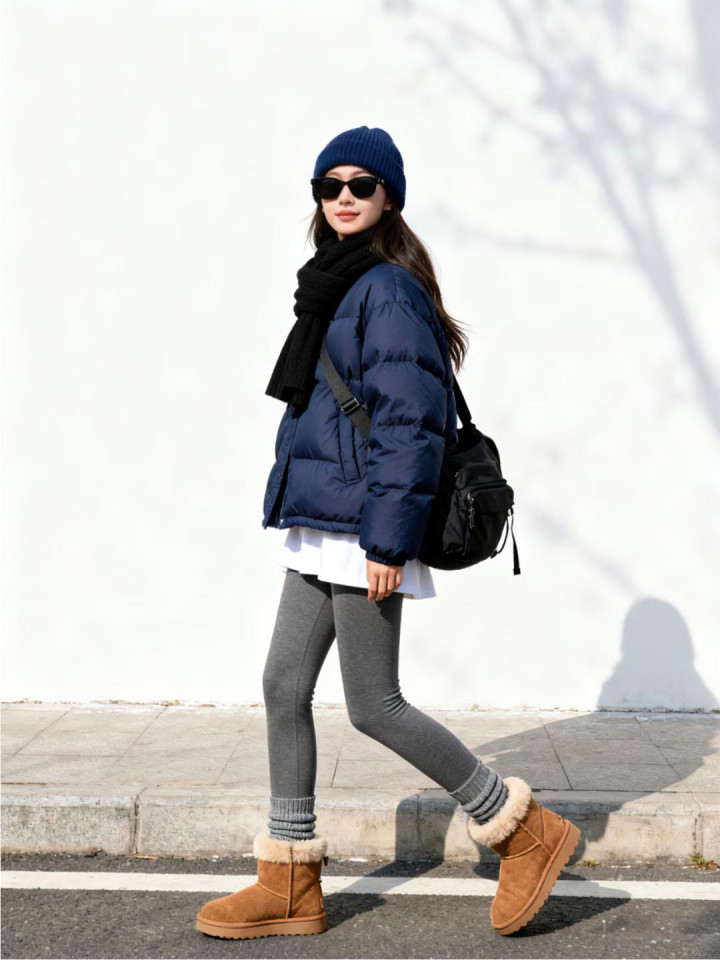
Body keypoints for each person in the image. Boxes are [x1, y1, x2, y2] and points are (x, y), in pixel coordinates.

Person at [196, 126, 580, 941]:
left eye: (361, 185)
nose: (344, 197)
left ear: (388, 198)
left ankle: (523, 831)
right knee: (282, 685)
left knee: (374, 704)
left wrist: (388, 540)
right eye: (329, 185)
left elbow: (412, 424)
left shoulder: (388, 290)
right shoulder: (331, 283)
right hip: (325, 518)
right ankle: (289, 880)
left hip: (365, 525)